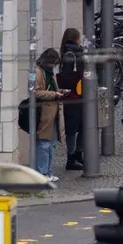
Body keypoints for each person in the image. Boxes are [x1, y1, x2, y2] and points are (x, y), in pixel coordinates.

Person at [32, 47, 67, 180]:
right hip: (44, 114)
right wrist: (54, 94)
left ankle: (47, 172)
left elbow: (50, 88)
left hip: (53, 113)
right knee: (43, 144)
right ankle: (41, 174)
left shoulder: (49, 72)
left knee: (51, 144)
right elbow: (36, 92)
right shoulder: (39, 72)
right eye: (53, 63)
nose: (54, 66)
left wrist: (60, 91)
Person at [56, 28, 86, 171]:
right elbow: (68, 77)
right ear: (75, 38)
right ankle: (72, 157)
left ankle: (78, 154)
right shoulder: (71, 54)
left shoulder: (71, 52)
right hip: (74, 96)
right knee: (73, 128)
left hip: (77, 95)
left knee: (82, 126)